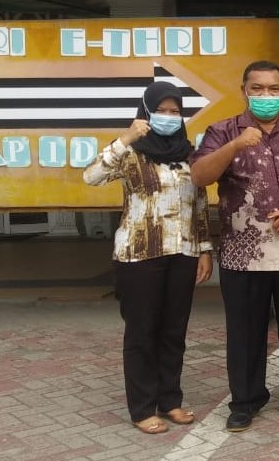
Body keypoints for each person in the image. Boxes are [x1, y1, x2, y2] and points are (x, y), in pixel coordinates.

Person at [190, 60, 279, 432]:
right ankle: (245, 400)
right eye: (258, 89)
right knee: (245, 332)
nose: (266, 96)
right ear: (244, 91)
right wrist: (235, 145)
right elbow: (200, 176)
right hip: (244, 255)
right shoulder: (222, 132)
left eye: (273, 89)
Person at [85, 81, 213, 435]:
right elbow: (91, 176)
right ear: (145, 113)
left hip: (183, 252)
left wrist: (205, 249)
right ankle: (142, 407)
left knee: (174, 331)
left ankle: (170, 400)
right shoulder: (130, 152)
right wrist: (125, 138)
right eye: (161, 111)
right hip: (138, 255)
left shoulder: (190, 154)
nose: (168, 117)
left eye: (175, 112)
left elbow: (200, 204)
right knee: (142, 332)